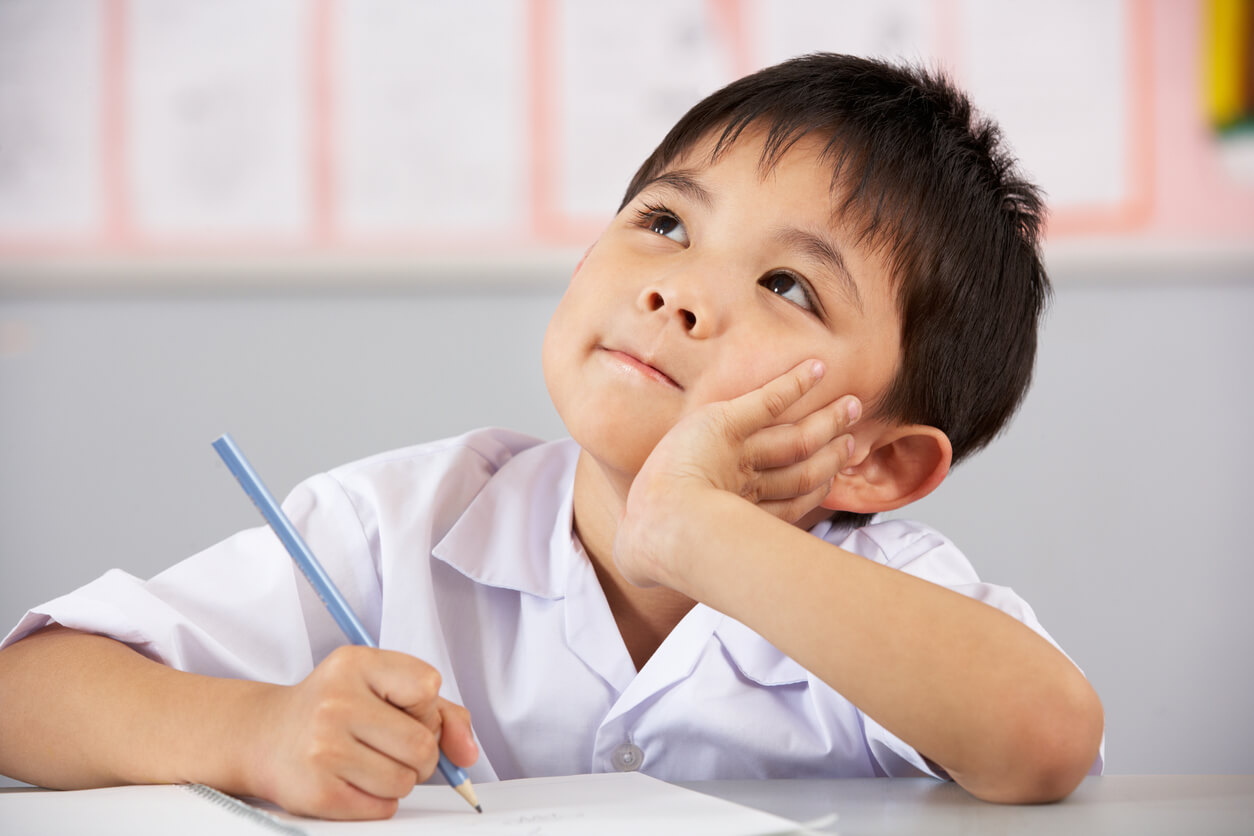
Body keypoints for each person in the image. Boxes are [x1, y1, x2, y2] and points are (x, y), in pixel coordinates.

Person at [0, 53, 1103, 820]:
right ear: (586, 267)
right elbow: (27, 694)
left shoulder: (887, 599)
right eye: (663, 223)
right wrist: (256, 732)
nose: (676, 289)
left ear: (877, 459)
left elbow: (1046, 739)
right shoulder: (397, 524)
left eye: (786, 284)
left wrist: (698, 528)